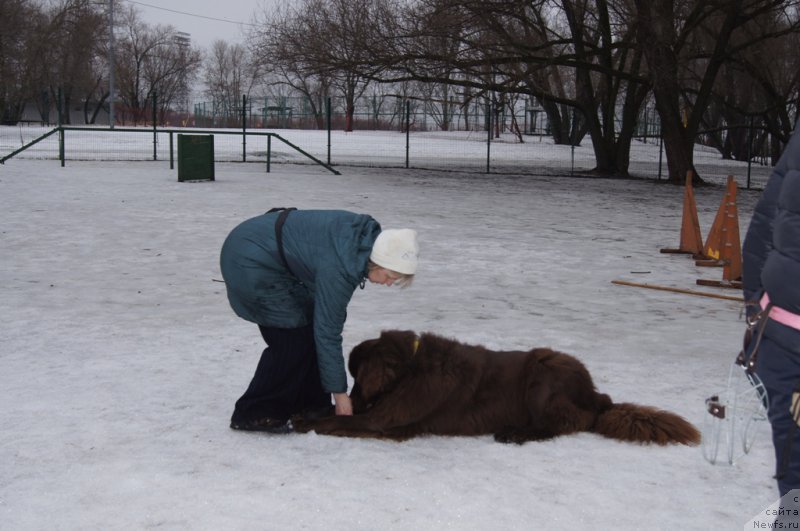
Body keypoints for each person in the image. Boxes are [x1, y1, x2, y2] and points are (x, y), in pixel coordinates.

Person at [219, 208, 419, 433]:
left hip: (266, 253)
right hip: (249, 261)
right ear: (379, 262)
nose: (389, 283)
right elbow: (328, 332)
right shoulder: (342, 265)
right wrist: (341, 395)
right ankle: (254, 412)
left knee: (309, 331)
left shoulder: (360, 246)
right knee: (291, 340)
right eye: (390, 277)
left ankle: (310, 405)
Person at [742, 123, 800, 497]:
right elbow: (766, 219)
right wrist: (756, 306)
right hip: (781, 336)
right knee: (793, 474)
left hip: (780, 335)